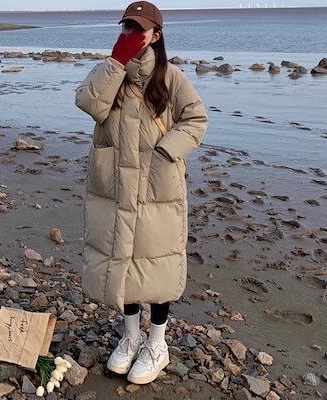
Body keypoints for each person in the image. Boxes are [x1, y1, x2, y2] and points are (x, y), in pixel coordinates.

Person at [75, 1, 209, 385]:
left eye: (139, 28)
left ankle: (157, 343)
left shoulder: (170, 77)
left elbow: (196, 118)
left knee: (156, 261)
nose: (132, 33)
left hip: (157, 186)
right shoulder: (109, 73)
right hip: (114, 184)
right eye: (127, 27)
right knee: (124, 259)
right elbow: (88, 102)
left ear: (156, 35)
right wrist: (116, 62)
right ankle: (131, 337)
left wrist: (168, 150)